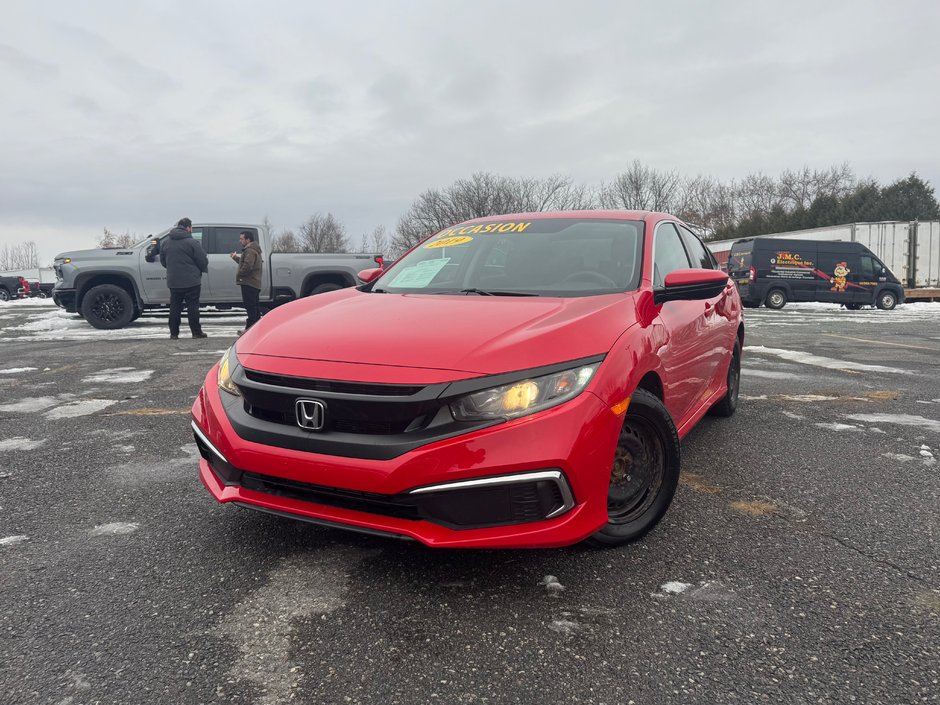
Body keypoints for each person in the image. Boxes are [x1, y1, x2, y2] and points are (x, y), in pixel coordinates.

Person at [160, 217, 208, 339]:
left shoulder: (166, 242)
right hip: (192, 281)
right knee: (193, 307)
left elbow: (163, 261)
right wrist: (199, 270)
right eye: (191, 228)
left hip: (174, 281)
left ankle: (174, 333)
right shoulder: (192, 242)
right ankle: (196, 332)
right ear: (188, 228)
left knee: (175, 307)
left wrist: (173, 270)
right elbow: (202, 259)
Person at [230, 230, 263, 334]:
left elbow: (248, 266)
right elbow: (245, 262)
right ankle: (256, 328)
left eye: (241, 239)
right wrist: (235, 258)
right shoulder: (253, 250)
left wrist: (240, 274)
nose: (240, 241)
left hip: (249, 282)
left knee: (250, 307)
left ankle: (249, 329)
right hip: (254, 282)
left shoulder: (249, 250)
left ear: (248, 239)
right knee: (254, 307)